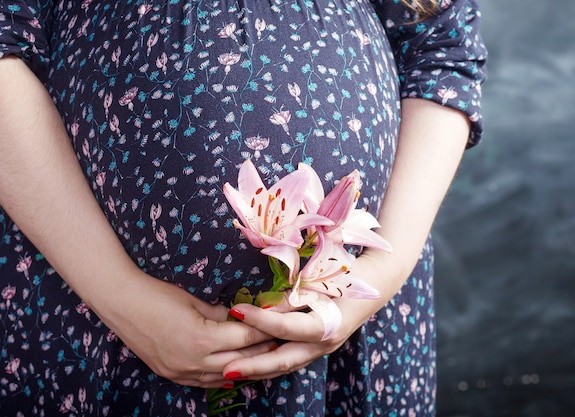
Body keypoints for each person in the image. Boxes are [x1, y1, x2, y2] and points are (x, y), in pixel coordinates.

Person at [0, 0, 486, 415]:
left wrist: (383, 270)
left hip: (358, 326)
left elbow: (443, 53)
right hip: (92, 313)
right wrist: (120, 298)